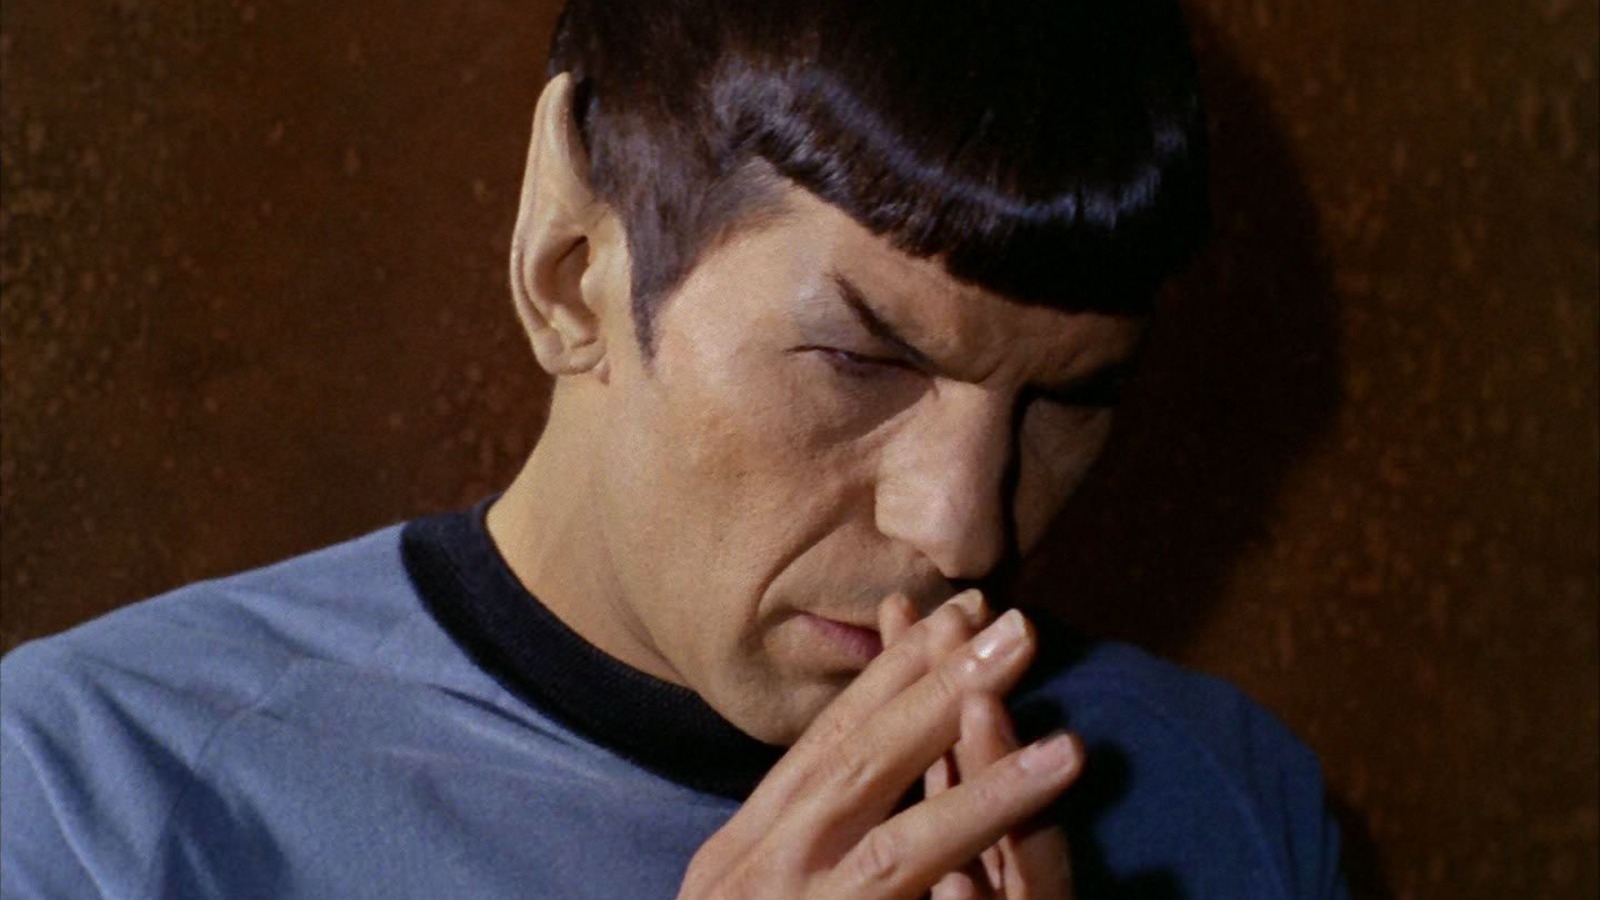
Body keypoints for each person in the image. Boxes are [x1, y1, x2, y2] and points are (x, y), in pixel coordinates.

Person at [1, 1, 1349, 897]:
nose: (964, 530)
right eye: (863, 358)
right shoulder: (85, 798)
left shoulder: (1229, 801)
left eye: (1067, 404)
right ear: (571, 263)